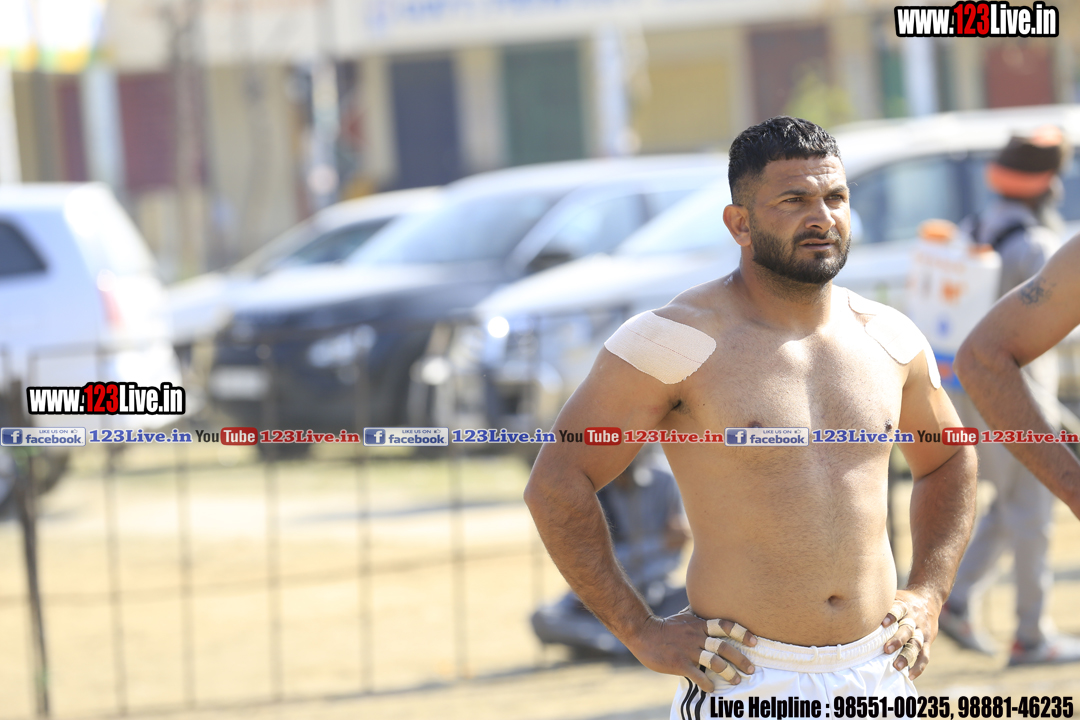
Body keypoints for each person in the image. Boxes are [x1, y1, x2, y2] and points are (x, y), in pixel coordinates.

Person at [523, 116, 977, 709]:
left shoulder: (889, 337)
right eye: (794, 200)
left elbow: (949, 460)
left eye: (835, 197)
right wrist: (639, 631)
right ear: (739, 223)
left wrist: (929, 592)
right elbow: (557, 483)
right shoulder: (673, 340)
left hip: (880, 671)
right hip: (748, 677)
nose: (823, 218)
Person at [936, 128, 1080, 666]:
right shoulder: (1036, 244)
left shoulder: (973, 226)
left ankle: (957, 599)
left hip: (964, 388)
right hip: (1017, 388)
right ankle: (1032, 636)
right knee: (1032, 507)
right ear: (1047, 184)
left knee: (1012, 498)